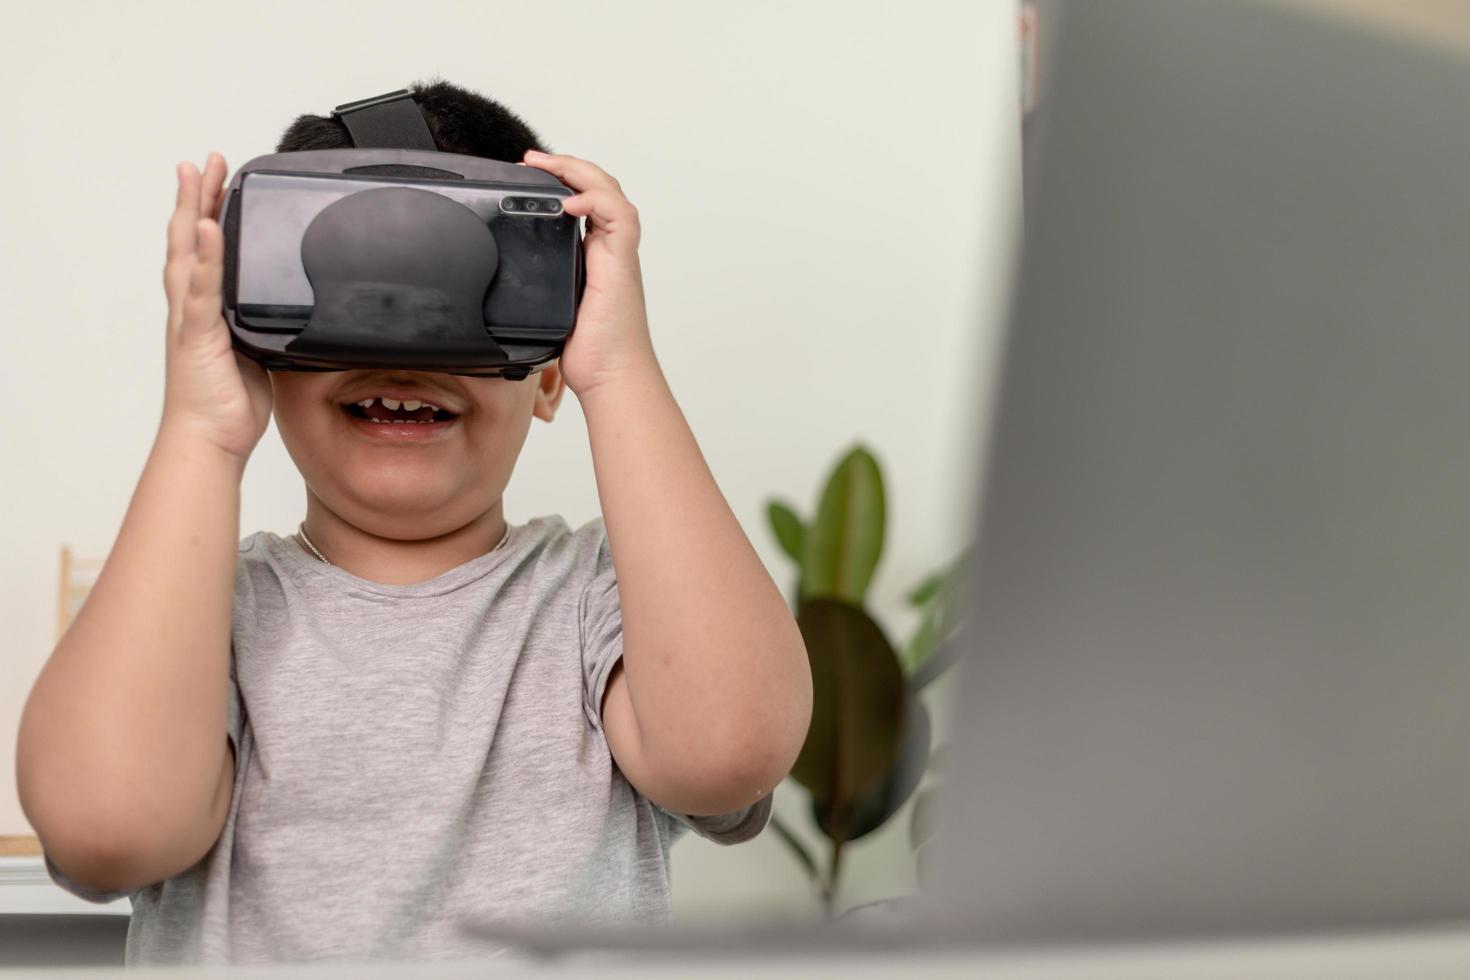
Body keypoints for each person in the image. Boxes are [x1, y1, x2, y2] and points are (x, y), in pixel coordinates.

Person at [15, 78, 814, 966]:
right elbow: (105, 827)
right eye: (351, 287)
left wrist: (620, 371)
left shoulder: (602, 602)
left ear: (547, 370)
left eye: (464, 288)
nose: (402, 335)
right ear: (262, 356)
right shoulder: (203, 617)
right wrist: (199, 432)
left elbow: (731, 750)